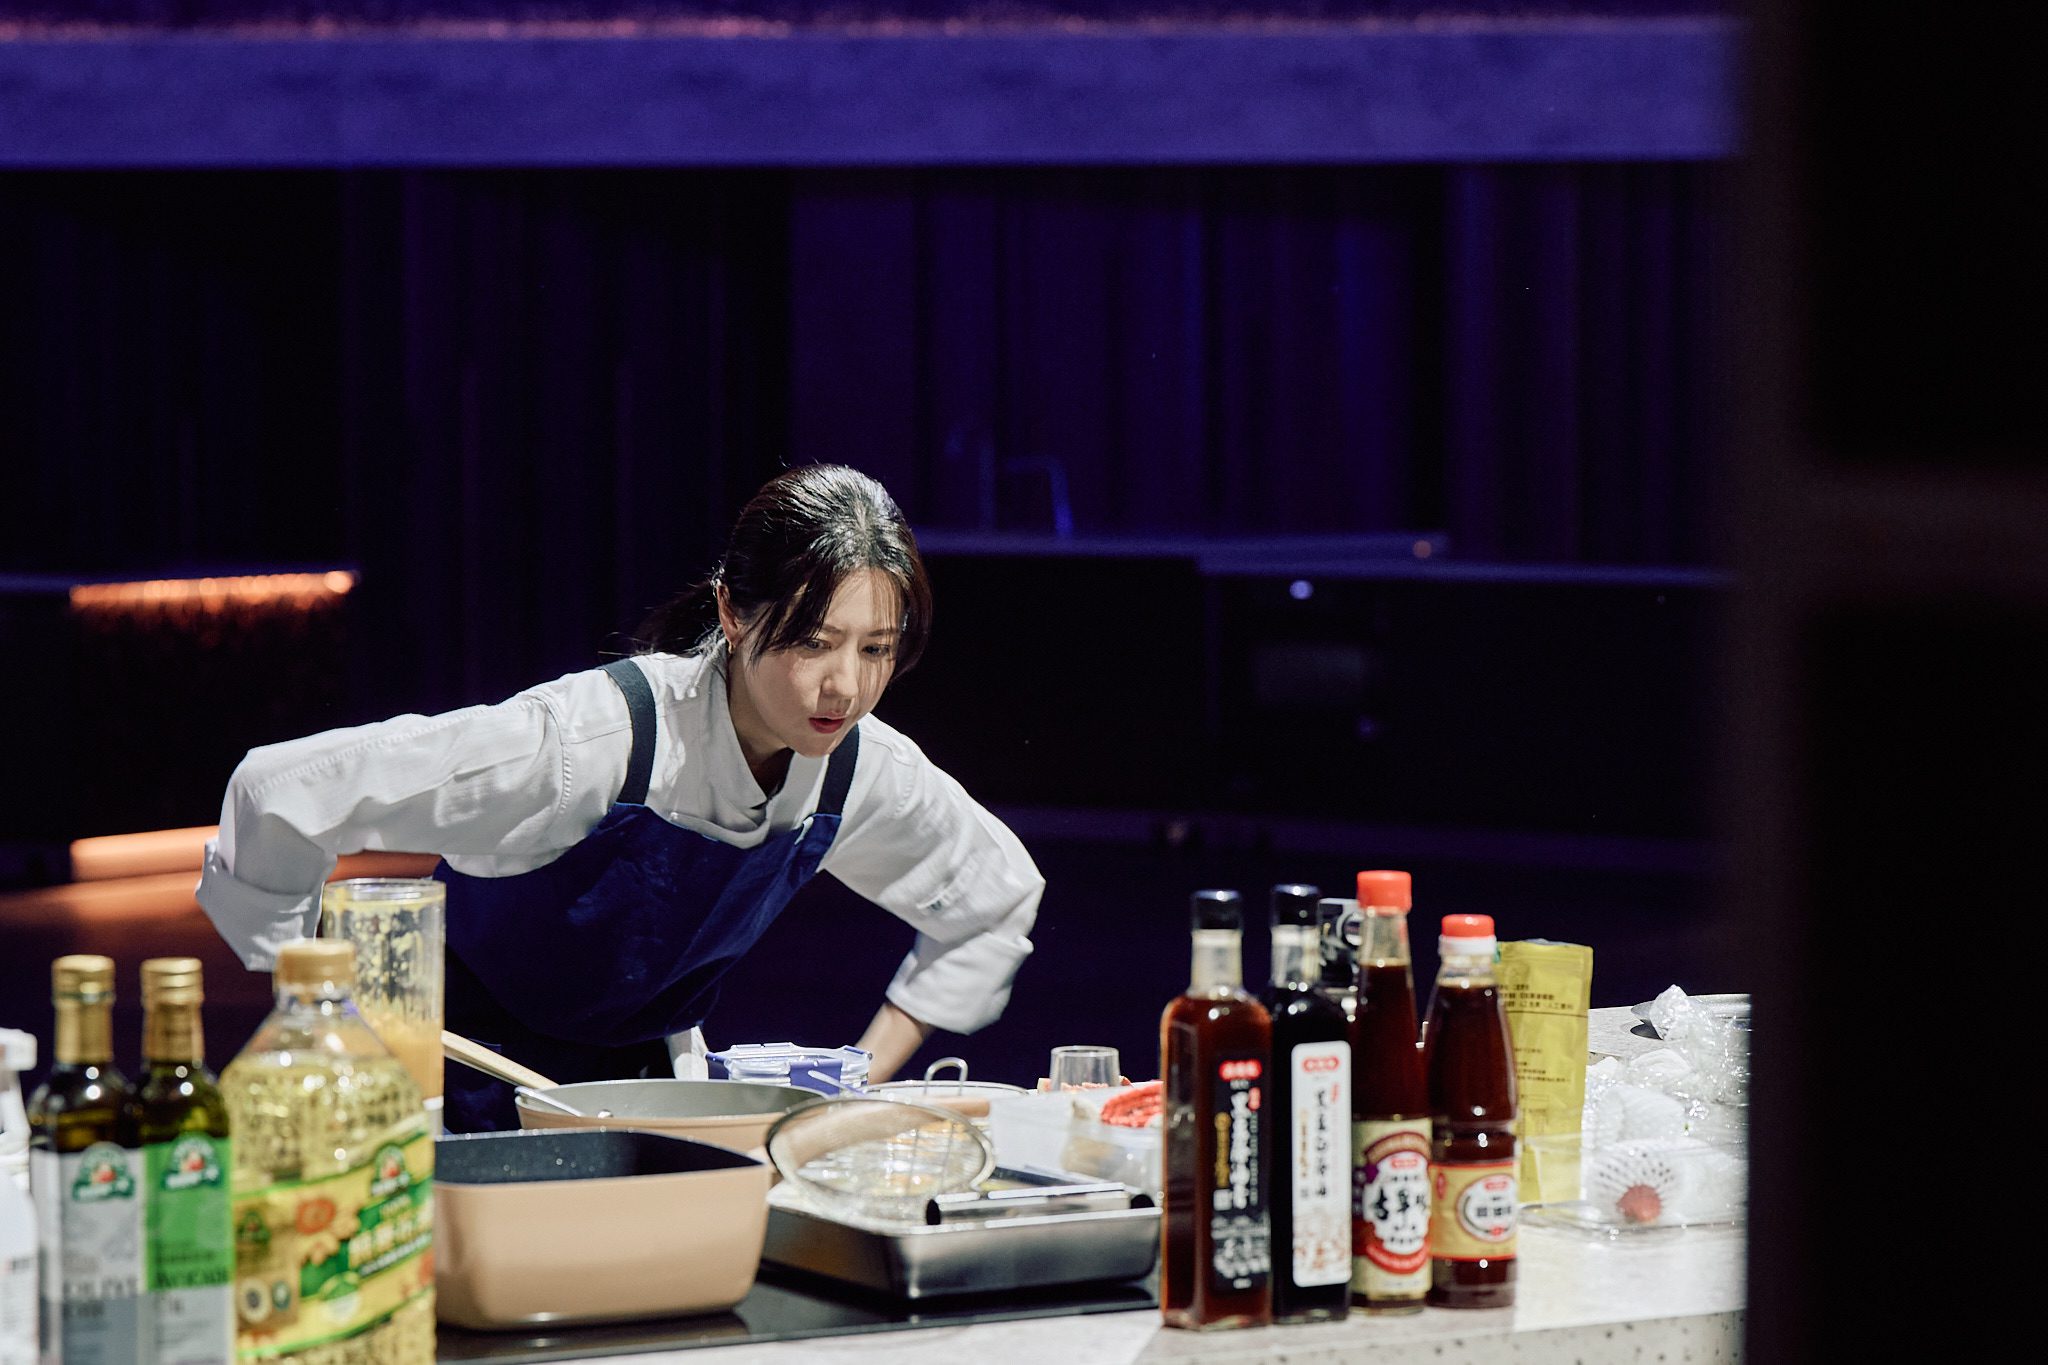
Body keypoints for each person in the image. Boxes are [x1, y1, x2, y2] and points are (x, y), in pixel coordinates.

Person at [195, 464, 1042, 1131]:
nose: (845, 687)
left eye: (877, 649)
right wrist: (305, 993)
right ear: (734, 613)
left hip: (645, 1102)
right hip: (451, 1086)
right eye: (814, 642)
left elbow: (995, 898)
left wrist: (852, 1083)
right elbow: (281, 788)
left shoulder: (861, 767)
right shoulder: (589, 740)